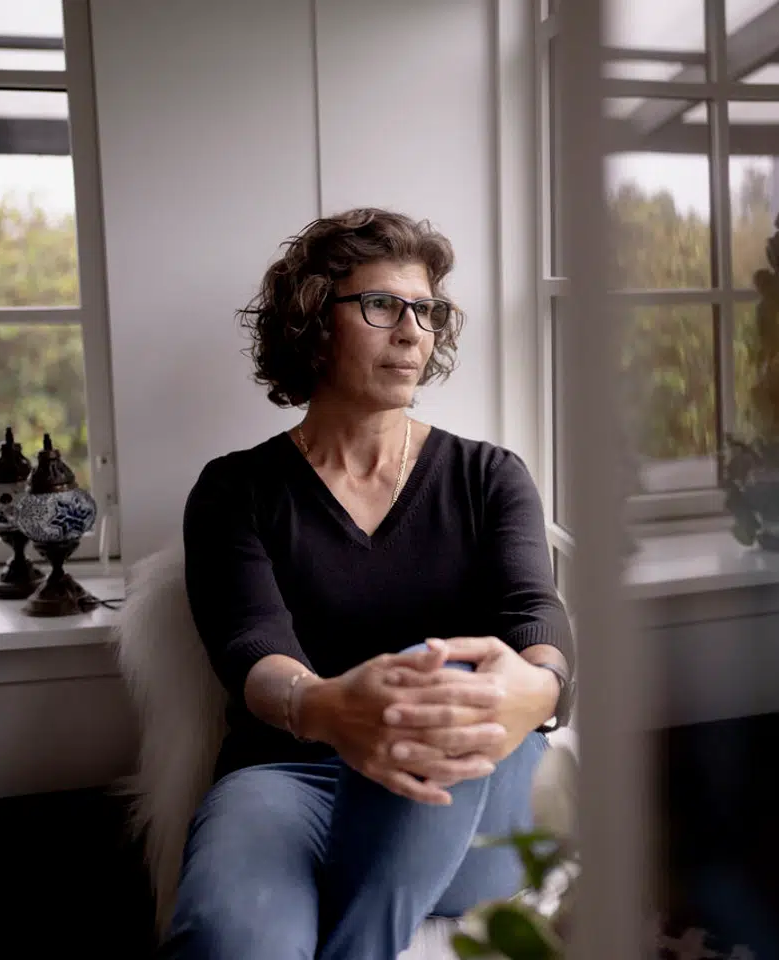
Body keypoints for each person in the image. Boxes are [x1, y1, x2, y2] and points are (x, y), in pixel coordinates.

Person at [163, 209, 575, 959]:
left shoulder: (490, 477)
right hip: (289, 777)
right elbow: (250, 645)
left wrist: (541, 690)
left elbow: (534, 618)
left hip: (473, 786)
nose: (414, 332)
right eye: (383, 305)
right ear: (315, 321)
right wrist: (330, 707)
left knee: (443, 675)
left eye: (427, 310)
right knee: (231, 941)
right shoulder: (235, 490)